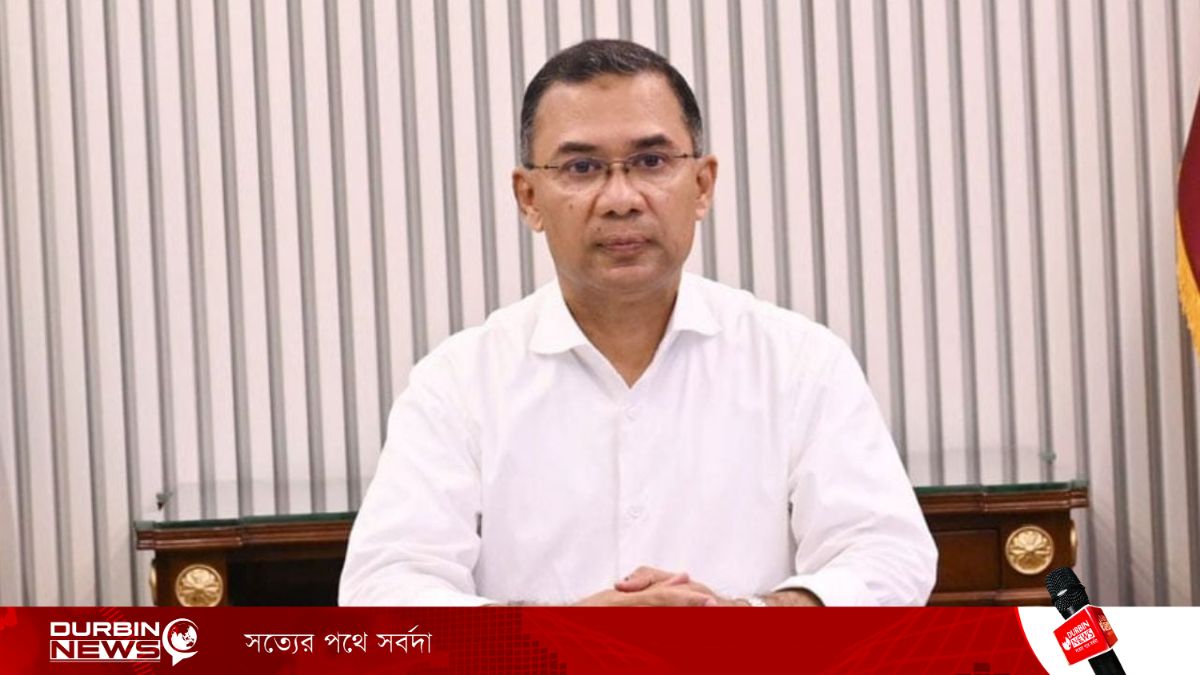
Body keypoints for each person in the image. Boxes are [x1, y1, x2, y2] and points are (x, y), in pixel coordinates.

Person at [339, 39, 937, 607]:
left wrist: (752, 616)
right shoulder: (459, 382)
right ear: (529, 198)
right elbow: (384, 592)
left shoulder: (800, 361)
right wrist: (569, 631)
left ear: (702, 184)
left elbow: (888, 554)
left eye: (651, 161)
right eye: (581, 167)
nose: (621, 198)